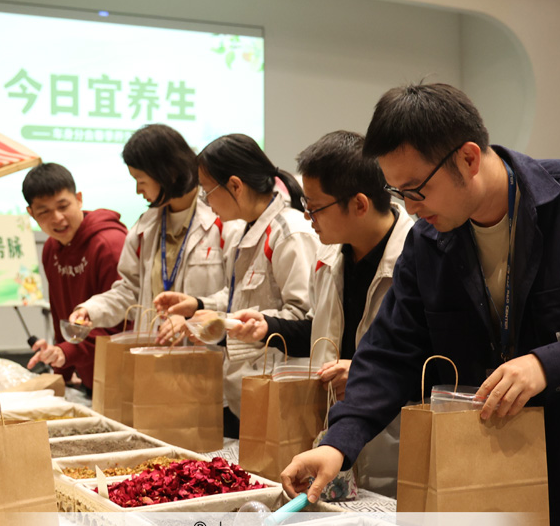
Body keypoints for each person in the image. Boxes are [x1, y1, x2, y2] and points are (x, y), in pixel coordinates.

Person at [282, 83, 560, 526]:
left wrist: (549, 363)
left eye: (417, 190)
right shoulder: (428, 244)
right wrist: (339, 442)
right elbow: (389, 352)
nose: (411, 208)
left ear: (468, 158)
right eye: (398, 192)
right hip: (491, 481)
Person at [229, 131, 414, 496]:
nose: (307, 216)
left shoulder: (415, 257)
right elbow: (321, 330)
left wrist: (363, 370)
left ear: (359, 204)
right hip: (336, 437)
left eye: (314, 207)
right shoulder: (330, 255)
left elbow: (431, 355)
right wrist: (270, 327)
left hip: (396, 445)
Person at [154, 133, 319, 437]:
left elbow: (305, 319)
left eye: (207, 191)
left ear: (235, 186)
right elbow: (238, 297)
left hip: (281, 393)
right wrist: (198, 305)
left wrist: (223, 323)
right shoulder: (245, 228)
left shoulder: (290, 234)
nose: (206, 201)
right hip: (245, 392)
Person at [71, 124, 240, 335]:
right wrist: (91, 310)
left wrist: (193, 316)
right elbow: (131, 291)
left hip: (207, 348)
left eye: (140, 181)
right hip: (155, 348)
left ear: (168, 173)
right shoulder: (144, 228)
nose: (138, 190)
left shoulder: (225, 222)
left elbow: (239, 296)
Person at [22, 163, 127, 391]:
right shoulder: (51, 248)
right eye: (44, 212)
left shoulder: (110, 245)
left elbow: (122, 321)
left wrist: (66, 353)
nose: (57, 218)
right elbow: (60, 314)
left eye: (63, 206)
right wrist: (62, 371)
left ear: (79, 199)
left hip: (124, 376)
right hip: (89, 378)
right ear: (31, 213)